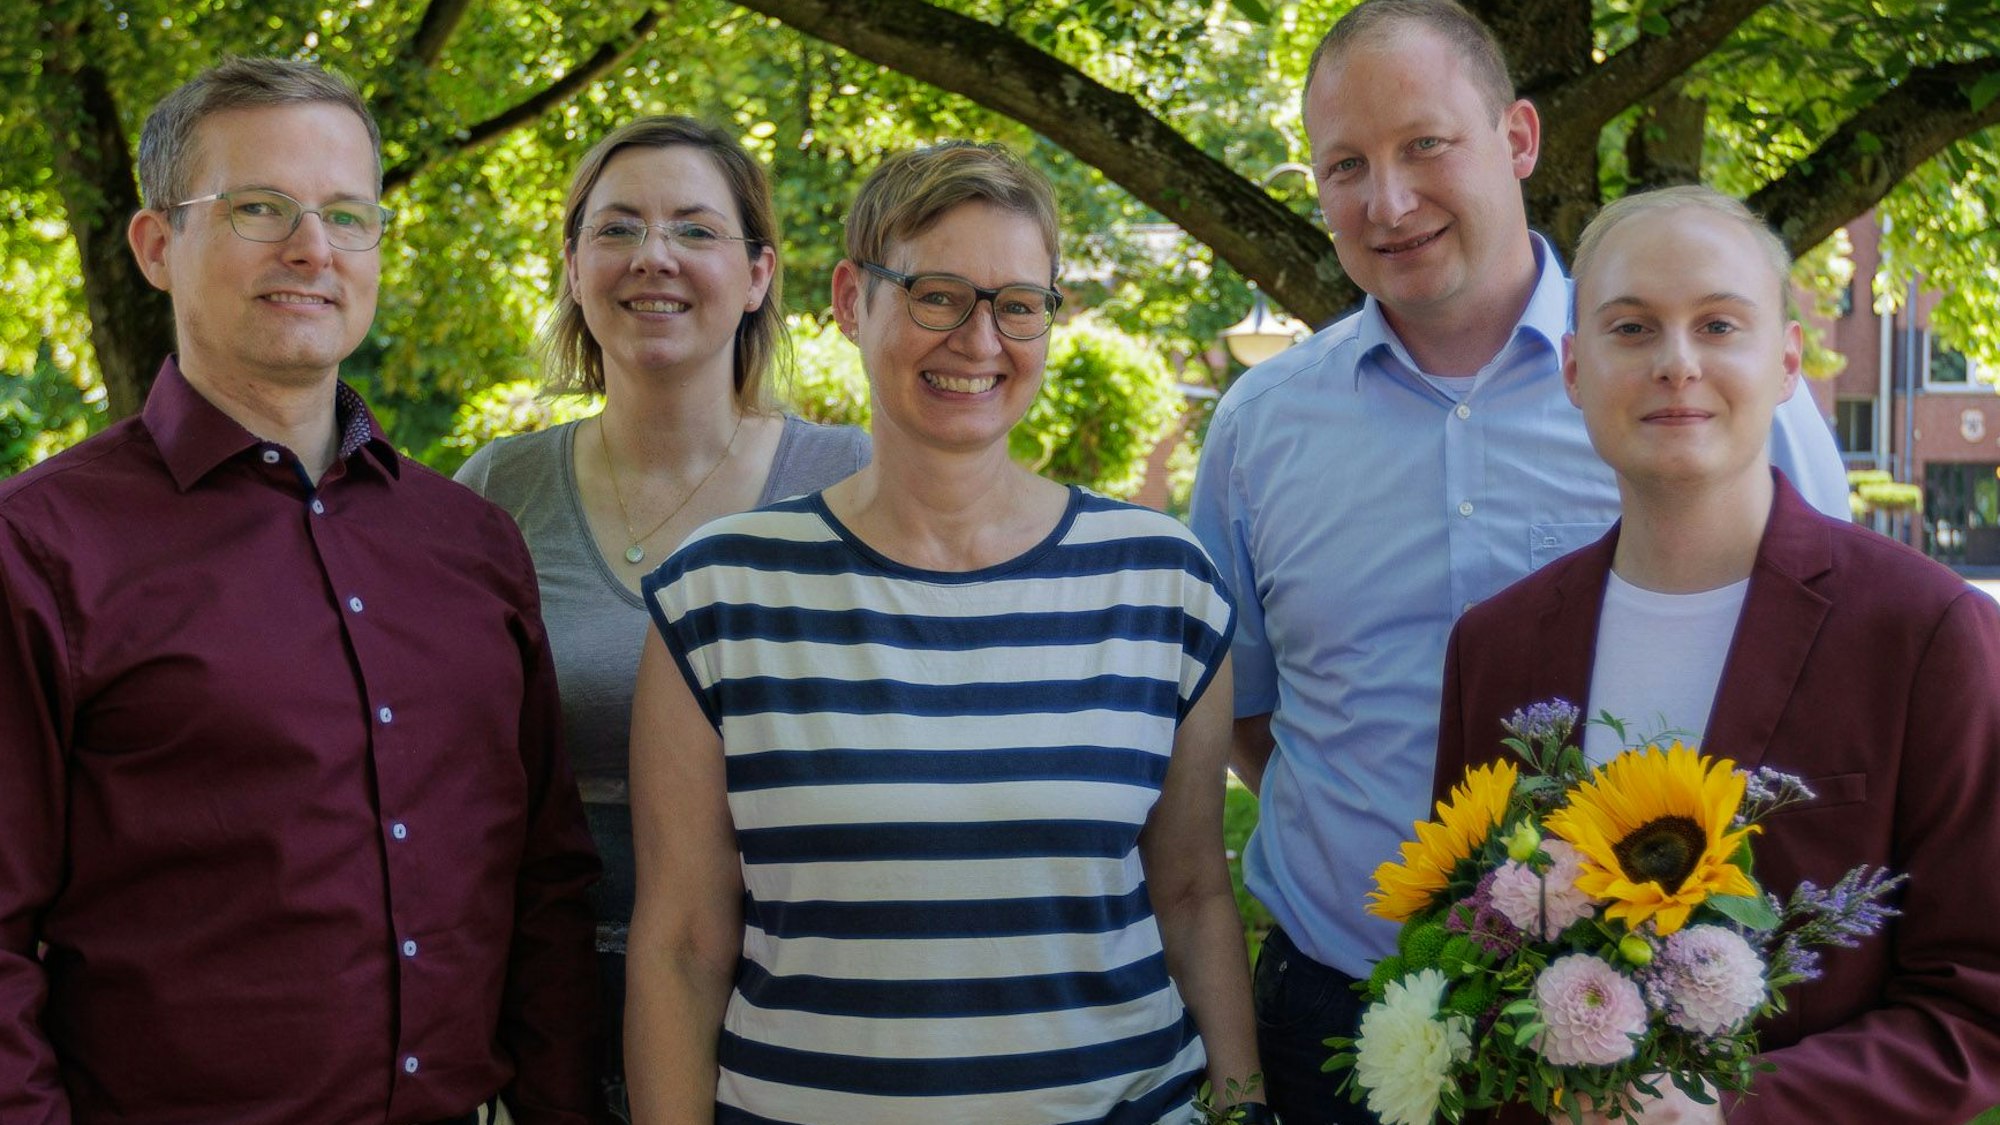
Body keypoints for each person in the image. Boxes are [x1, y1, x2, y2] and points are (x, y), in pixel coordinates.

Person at [1184, 2, 1852, 1121]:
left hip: (1653, 1022)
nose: (1385, 201)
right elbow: (1247, 716)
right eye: (1344, 164)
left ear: (1519, 140)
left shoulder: (1706, 398)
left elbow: (1823, 677)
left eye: (1424, 144)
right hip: (1339, 1018)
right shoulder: (1258, 431)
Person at [0, 59, 599, 1124]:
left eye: (346, 215)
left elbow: (543, 892)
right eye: (259, 208)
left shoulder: (471, 546)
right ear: (154, 246)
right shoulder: (41, 548)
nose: (311, 249)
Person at [623, 141, 1266, 1124]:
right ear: (849, 300)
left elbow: (1190, 896)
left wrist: (1240, 1107)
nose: (978, 340)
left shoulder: (1160, 582)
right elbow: (680, 941)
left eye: (1017, 304)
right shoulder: (718, 594)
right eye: (935, 294)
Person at [1433, 185, 2000, 1123]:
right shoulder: (1496, 646)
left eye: (1719, 324)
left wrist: (1729, 1108)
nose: (1677, 363)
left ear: (1785, 362)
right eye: (1632, 328)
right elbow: (1466, 951)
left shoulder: (1927, 631)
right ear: (1573, 367)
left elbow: (1977, 1005)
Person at [454, 115, 868, 1119]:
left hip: (798, 1006)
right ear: (571, 263)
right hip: (543, 1017)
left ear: (760, 272)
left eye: (693, 229)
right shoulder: (491, 495)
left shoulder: (856, 481)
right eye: (618, 228)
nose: (653, 260)